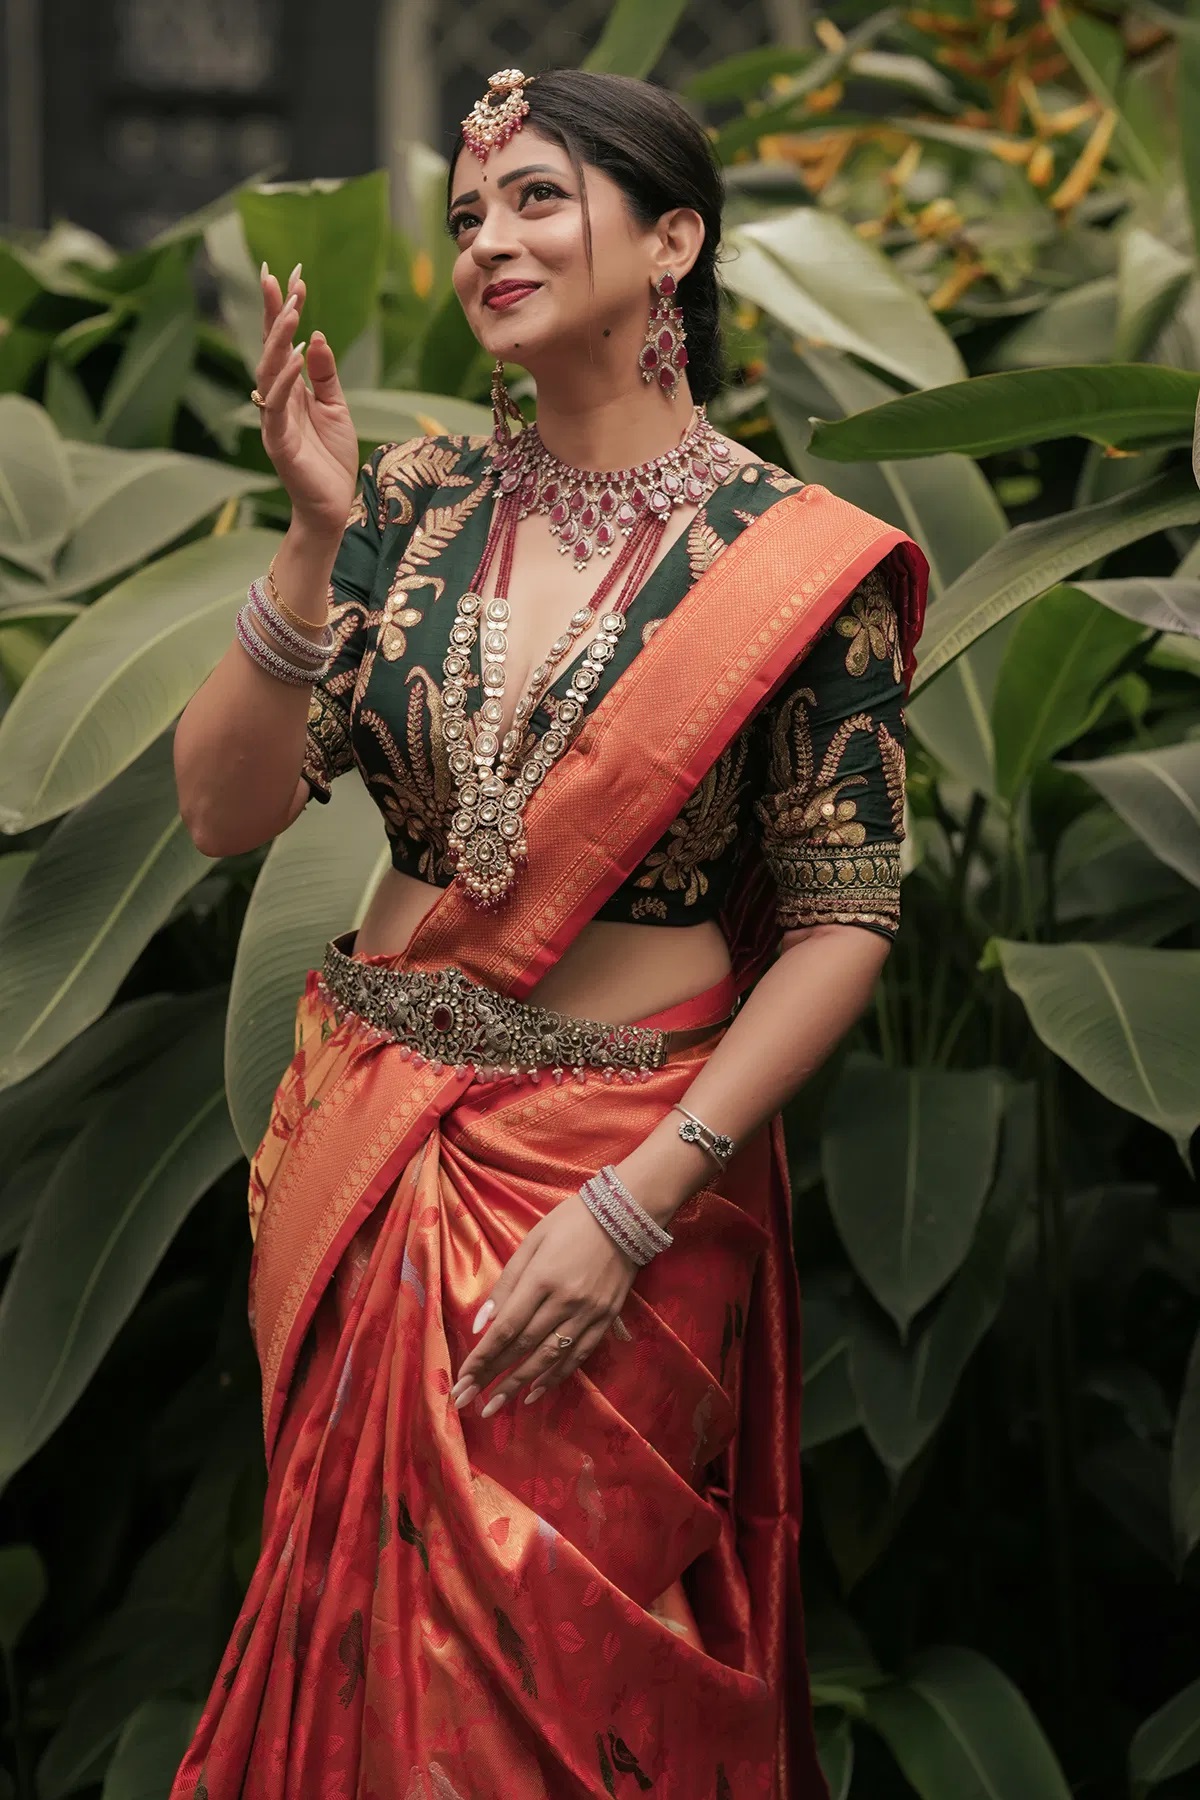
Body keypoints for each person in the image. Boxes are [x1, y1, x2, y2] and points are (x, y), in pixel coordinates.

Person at [170, 66, 926, 1800]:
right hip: (372, 1139)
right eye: (466, 216)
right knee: (370, 1690)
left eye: (537, 199)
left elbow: (842, 920)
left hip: (624, 1183)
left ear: (675, 241)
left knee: (558, 1706)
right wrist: (306, 537)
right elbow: (223, 812)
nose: (488, 242)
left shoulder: (792, 561)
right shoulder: (416, 501)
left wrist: (636, 1197)